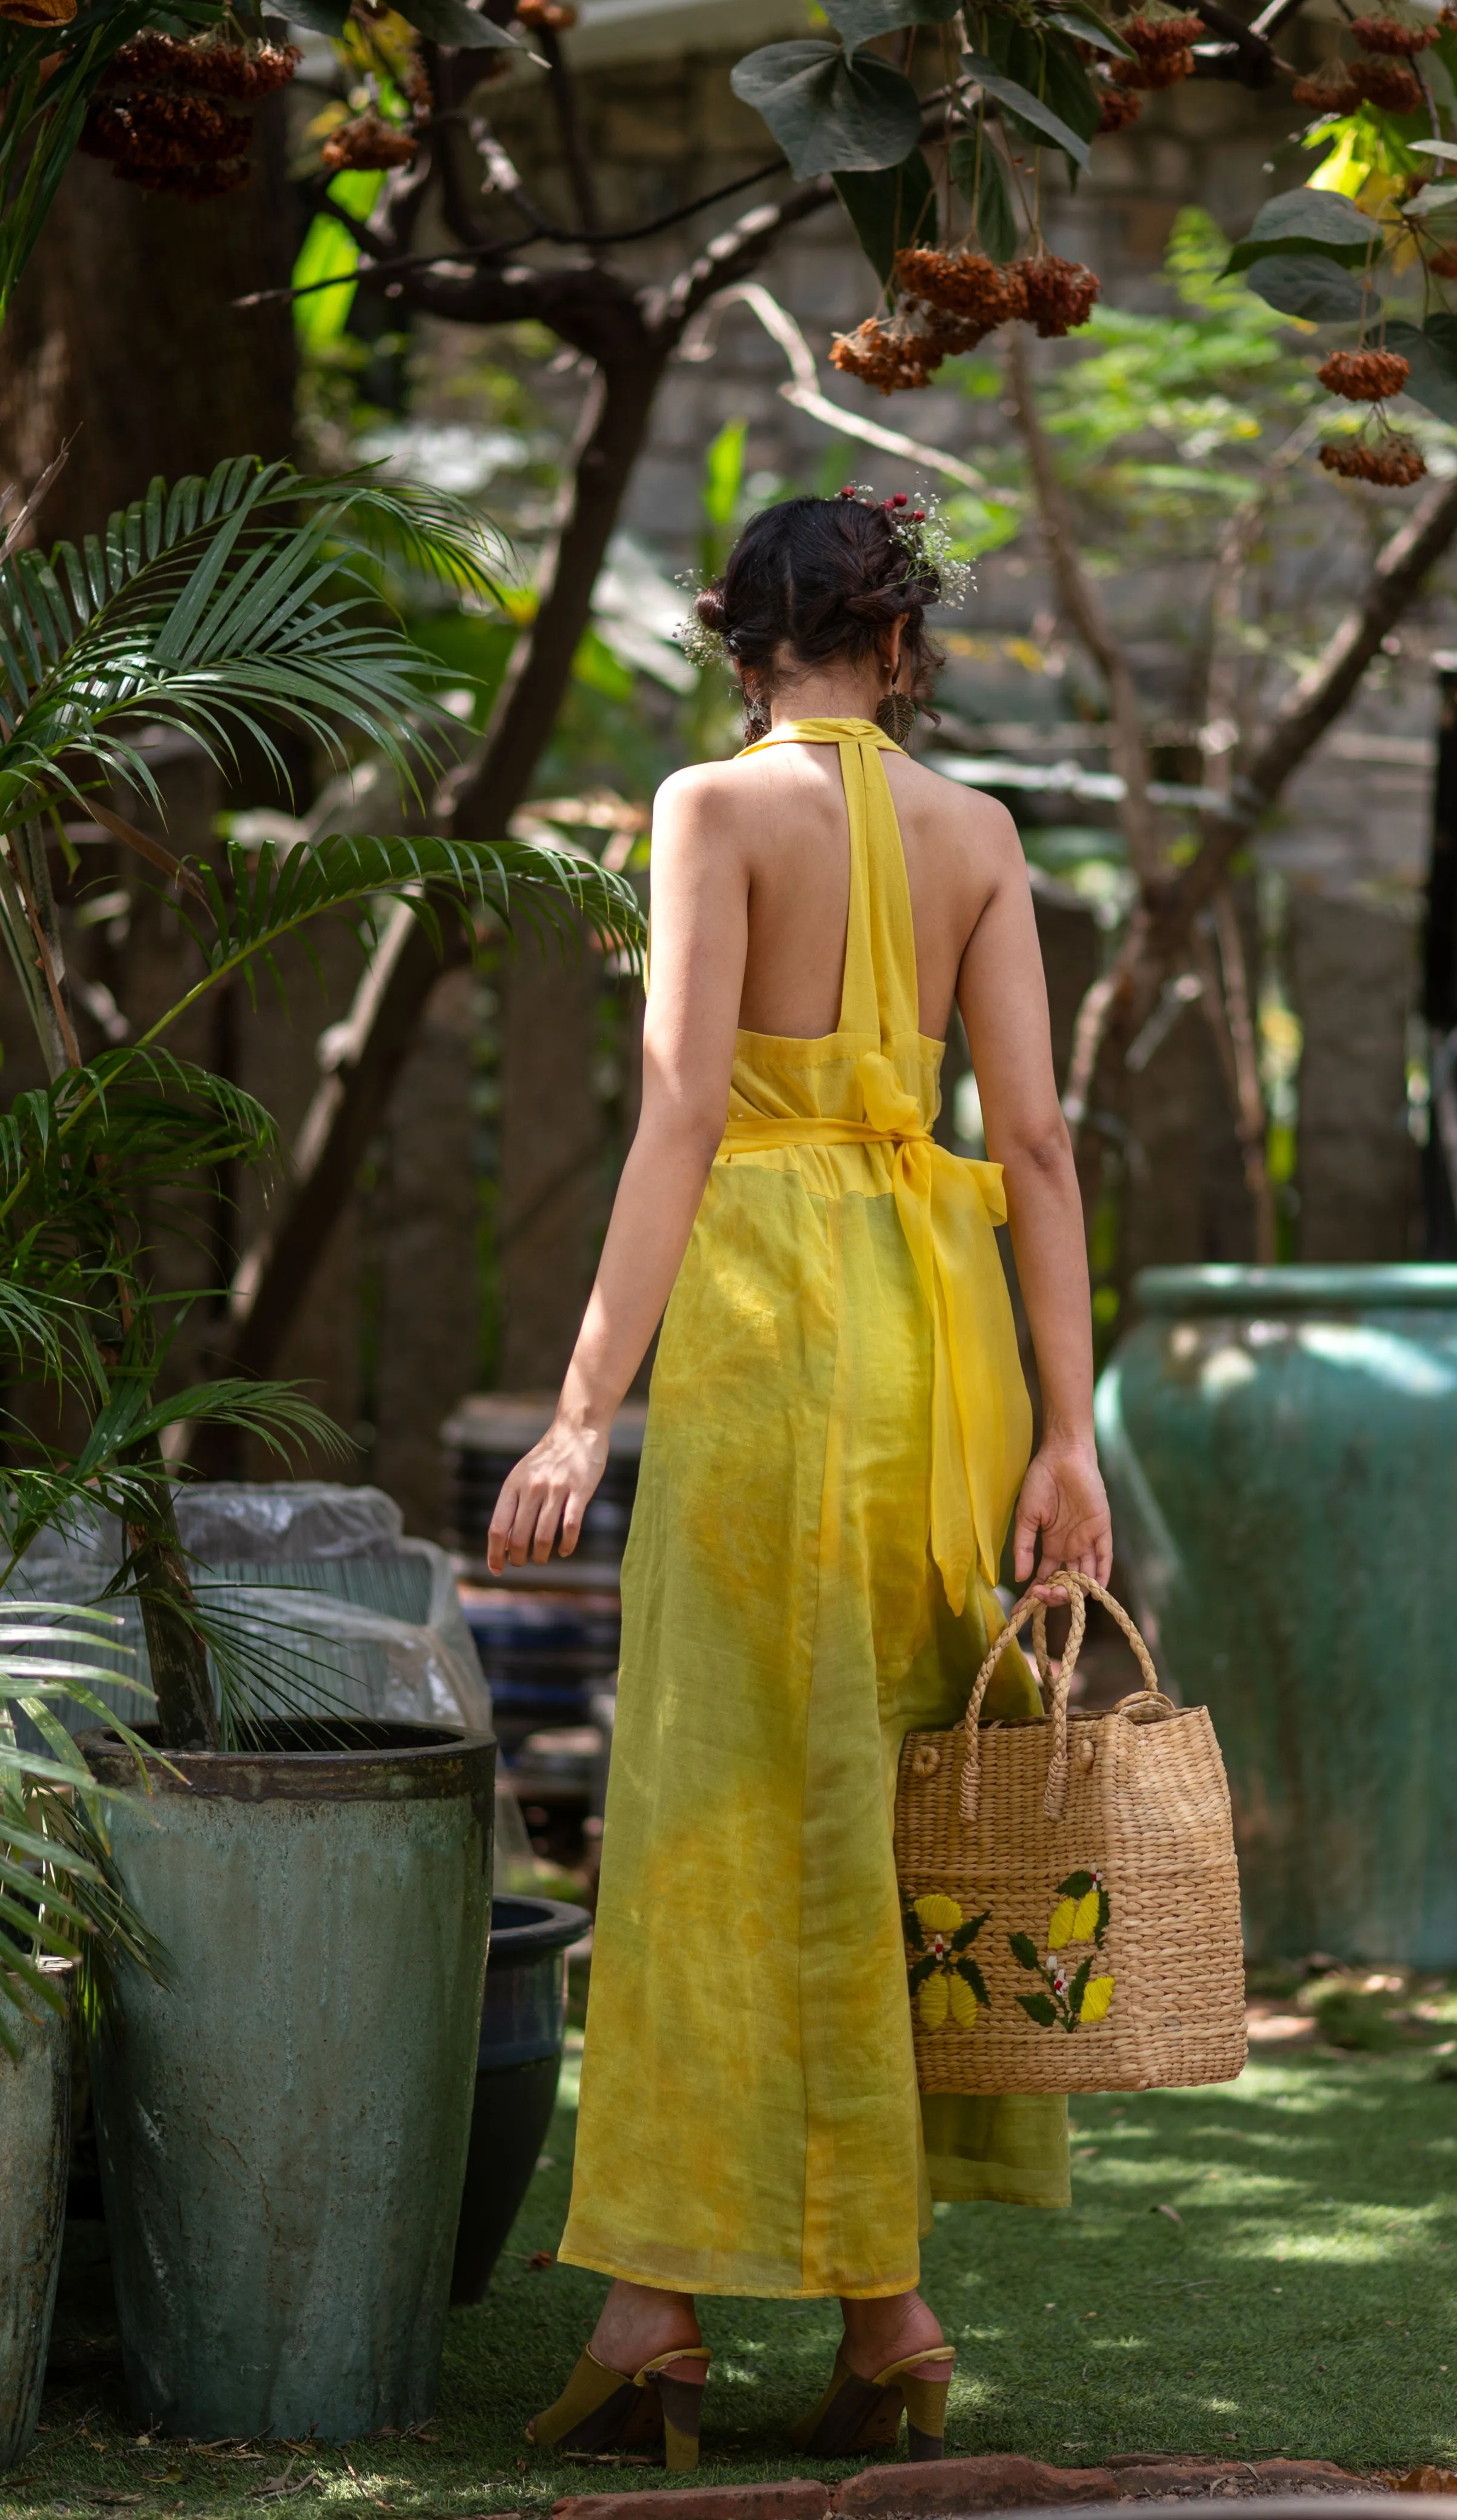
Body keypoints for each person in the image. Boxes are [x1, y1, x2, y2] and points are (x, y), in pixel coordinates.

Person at [487, 489, 1113, 2474]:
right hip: (938, 1350)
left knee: (709, 1796)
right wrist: (1071, 1434)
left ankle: (656, 2318)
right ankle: (881, 2311)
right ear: (901, 648)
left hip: (765, 1335)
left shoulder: (705, 808)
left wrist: (587, 1404)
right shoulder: (980, 837)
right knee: (890, 1786)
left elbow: (681, 1108)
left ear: (733, 640)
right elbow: (1034, 1144)